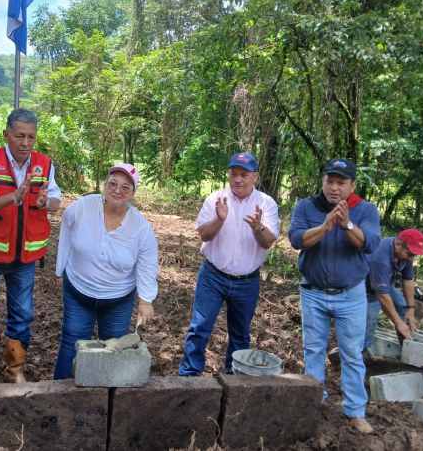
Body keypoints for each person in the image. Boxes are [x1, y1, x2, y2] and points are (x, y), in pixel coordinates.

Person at [0, 108, 62, 386]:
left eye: (31, 137)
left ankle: (15, 368)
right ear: (6, 134)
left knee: (22, 313)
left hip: (25, 255)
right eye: (19, 136)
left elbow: (56, 199)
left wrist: (46, 202)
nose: (25, 142)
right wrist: (12, 196)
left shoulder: (44, 164)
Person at [288, 158, 381, 434]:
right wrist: (325, 227)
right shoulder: (306, 206)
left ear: (352, 185)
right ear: (323, 181)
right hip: (313, 293)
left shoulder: (366, 210)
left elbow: (369, 244)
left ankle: (355, 412)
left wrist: (347, 224)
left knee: (352, 353)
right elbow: (296, 239)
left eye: (342, 182)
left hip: (351, 295)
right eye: (330, 181)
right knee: (313, 350)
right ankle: (313, 403)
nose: (334, 187)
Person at [178, 152, 280, 376]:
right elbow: (204, 235)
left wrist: (258, 228)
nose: (238, 179)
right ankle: (189, 376)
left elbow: (268, 241)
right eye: (234, 174)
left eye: (244, 174)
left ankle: (235, 379)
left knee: (240, 333)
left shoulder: (266, 203)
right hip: (213, 276)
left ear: (255, 176)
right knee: (199, 327)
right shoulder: (216, 199)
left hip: (247, 281)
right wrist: (219, 219)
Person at [53, 164, 159, 379]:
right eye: (113, 184)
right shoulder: (83, 207)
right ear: (104, 185)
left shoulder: (141, 227)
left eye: (125, 187)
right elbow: (66, 229)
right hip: (78, 290)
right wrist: (60, 268)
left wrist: (146, 299)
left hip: (117, 299)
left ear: (133, 193)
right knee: (72, 342)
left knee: (114, 348)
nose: (117, 190)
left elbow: (147, 263)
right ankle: (61, 391)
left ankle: (106, 394)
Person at [363, 229, 423, 351]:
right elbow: (382, 295)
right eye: (410, 254)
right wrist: (398, 323)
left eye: (414, 255)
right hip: (366, 289)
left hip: (384, 284)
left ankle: (406, 347)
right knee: (369, 323)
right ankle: (362, 353)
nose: (411, 258)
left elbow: (408, 280)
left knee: (403, 308)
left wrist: (411, 309)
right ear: (398, 245)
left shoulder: (405, 254)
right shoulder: (380, 258)